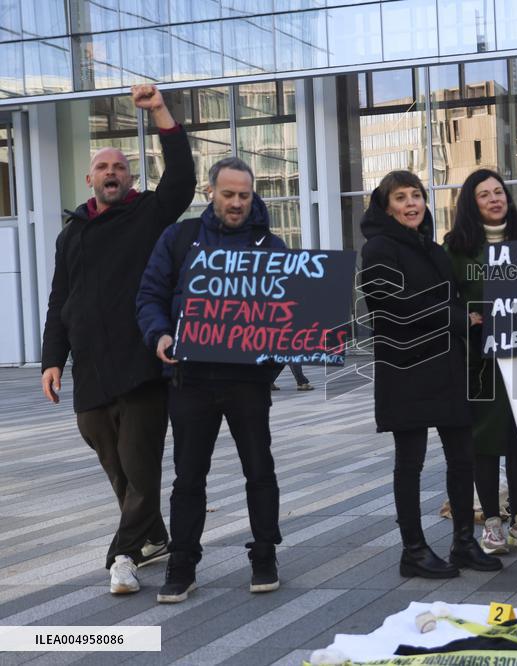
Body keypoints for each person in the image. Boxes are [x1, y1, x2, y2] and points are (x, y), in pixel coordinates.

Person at [40, 84, 195, 596]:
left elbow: (182, 181)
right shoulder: (72, 233)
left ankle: (121, 556)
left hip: (142, 368)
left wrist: (162, 118)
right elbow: (60, 298)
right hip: (90, 372)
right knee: (119, 471)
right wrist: (51, 360)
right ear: (90, 179)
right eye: (104, 168)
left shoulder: (148, 213)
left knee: (142, 473)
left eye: (120, 168)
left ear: (129, 178)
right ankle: (153, 539)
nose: (112, 173)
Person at [136, 157, 285, 603]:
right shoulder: (179, 238)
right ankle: (182, 565)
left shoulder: (270, 246)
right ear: (210, 192)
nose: (237, 202)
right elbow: (150, 295)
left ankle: (264, 556)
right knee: (188, 477)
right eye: (228, 194)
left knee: (260, 470)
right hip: (190, 376)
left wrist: (270, 364)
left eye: (244, 195)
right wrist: (160, 335)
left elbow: (291, 314)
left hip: (247, 380)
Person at [359, 170, 501, 578]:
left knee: (462, 459)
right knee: (411, 464)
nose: (412, 204)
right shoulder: (379, 249)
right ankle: (414, 551)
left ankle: (463, 543)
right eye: (401, 198)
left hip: (447, 371)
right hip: (407, 371)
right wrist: (458, 319)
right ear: (386, 207)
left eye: (416, 195)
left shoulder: (431, 249)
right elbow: (392, 305)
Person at [443, 169, 517, 555]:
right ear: (472, 202)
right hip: (480, 358)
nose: (495, 199)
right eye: (484, 195)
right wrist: (468, 316)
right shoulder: (457, 248)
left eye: (499, 192)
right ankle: (493, 524)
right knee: (484, 440)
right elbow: (448, 298)